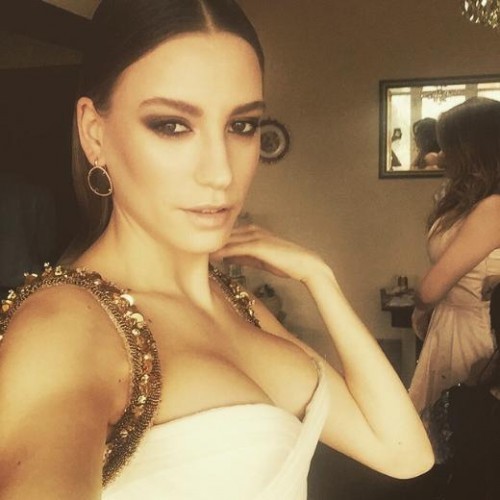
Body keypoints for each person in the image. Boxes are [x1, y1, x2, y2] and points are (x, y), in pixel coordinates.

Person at [0, 1, 433, 499]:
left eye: (241, 125)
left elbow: (403, 452)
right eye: (172, 125)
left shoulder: (233, 301)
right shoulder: (65, 326)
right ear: (95, 135)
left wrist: (320, 278)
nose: (221, 172)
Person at [409, 97, 500, 419]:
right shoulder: (472, 199)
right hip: (450, 323)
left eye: (449, 146)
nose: (442, 155)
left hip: (473, 332)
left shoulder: (492, 207)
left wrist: (423, 305)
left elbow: (429, 290)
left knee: (462, 424)